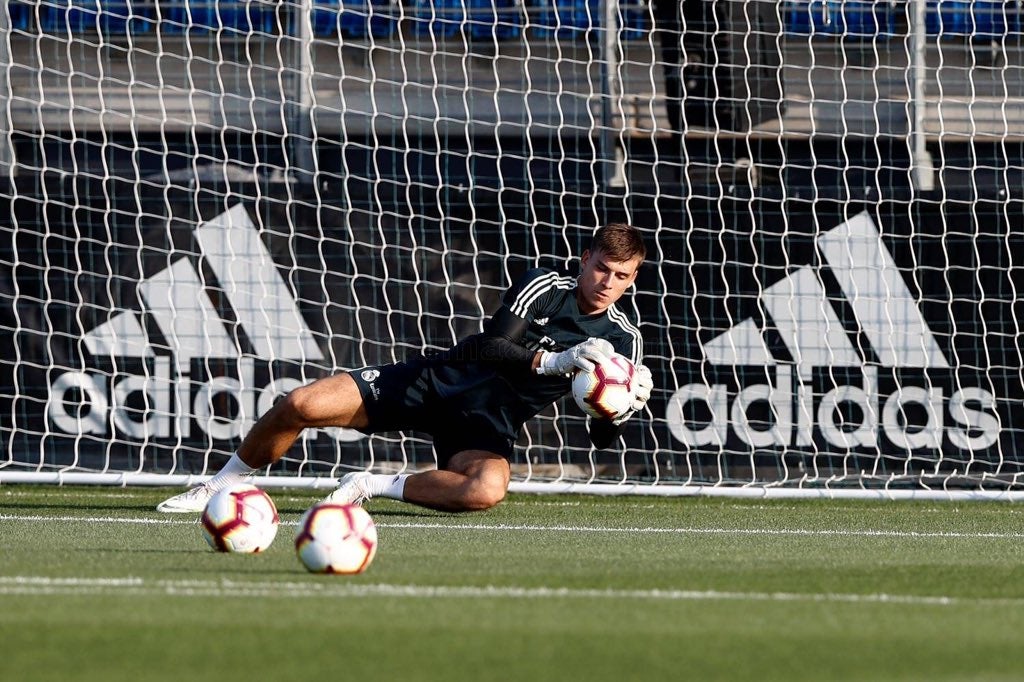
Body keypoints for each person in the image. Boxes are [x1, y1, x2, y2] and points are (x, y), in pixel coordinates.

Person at [157, 223, 653, 513]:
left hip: (485, 425)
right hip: (433, 382)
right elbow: (493, 345)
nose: (608, 282)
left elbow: (600, 440)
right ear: (585, 259)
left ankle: (371, 484)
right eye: (601, 268)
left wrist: (621, 407)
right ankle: (220, 485)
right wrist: (555, 361)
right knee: (299, 404)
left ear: (633, 279)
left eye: (622, 275)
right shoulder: (546, 285)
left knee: (486, 490)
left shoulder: (623, 340)